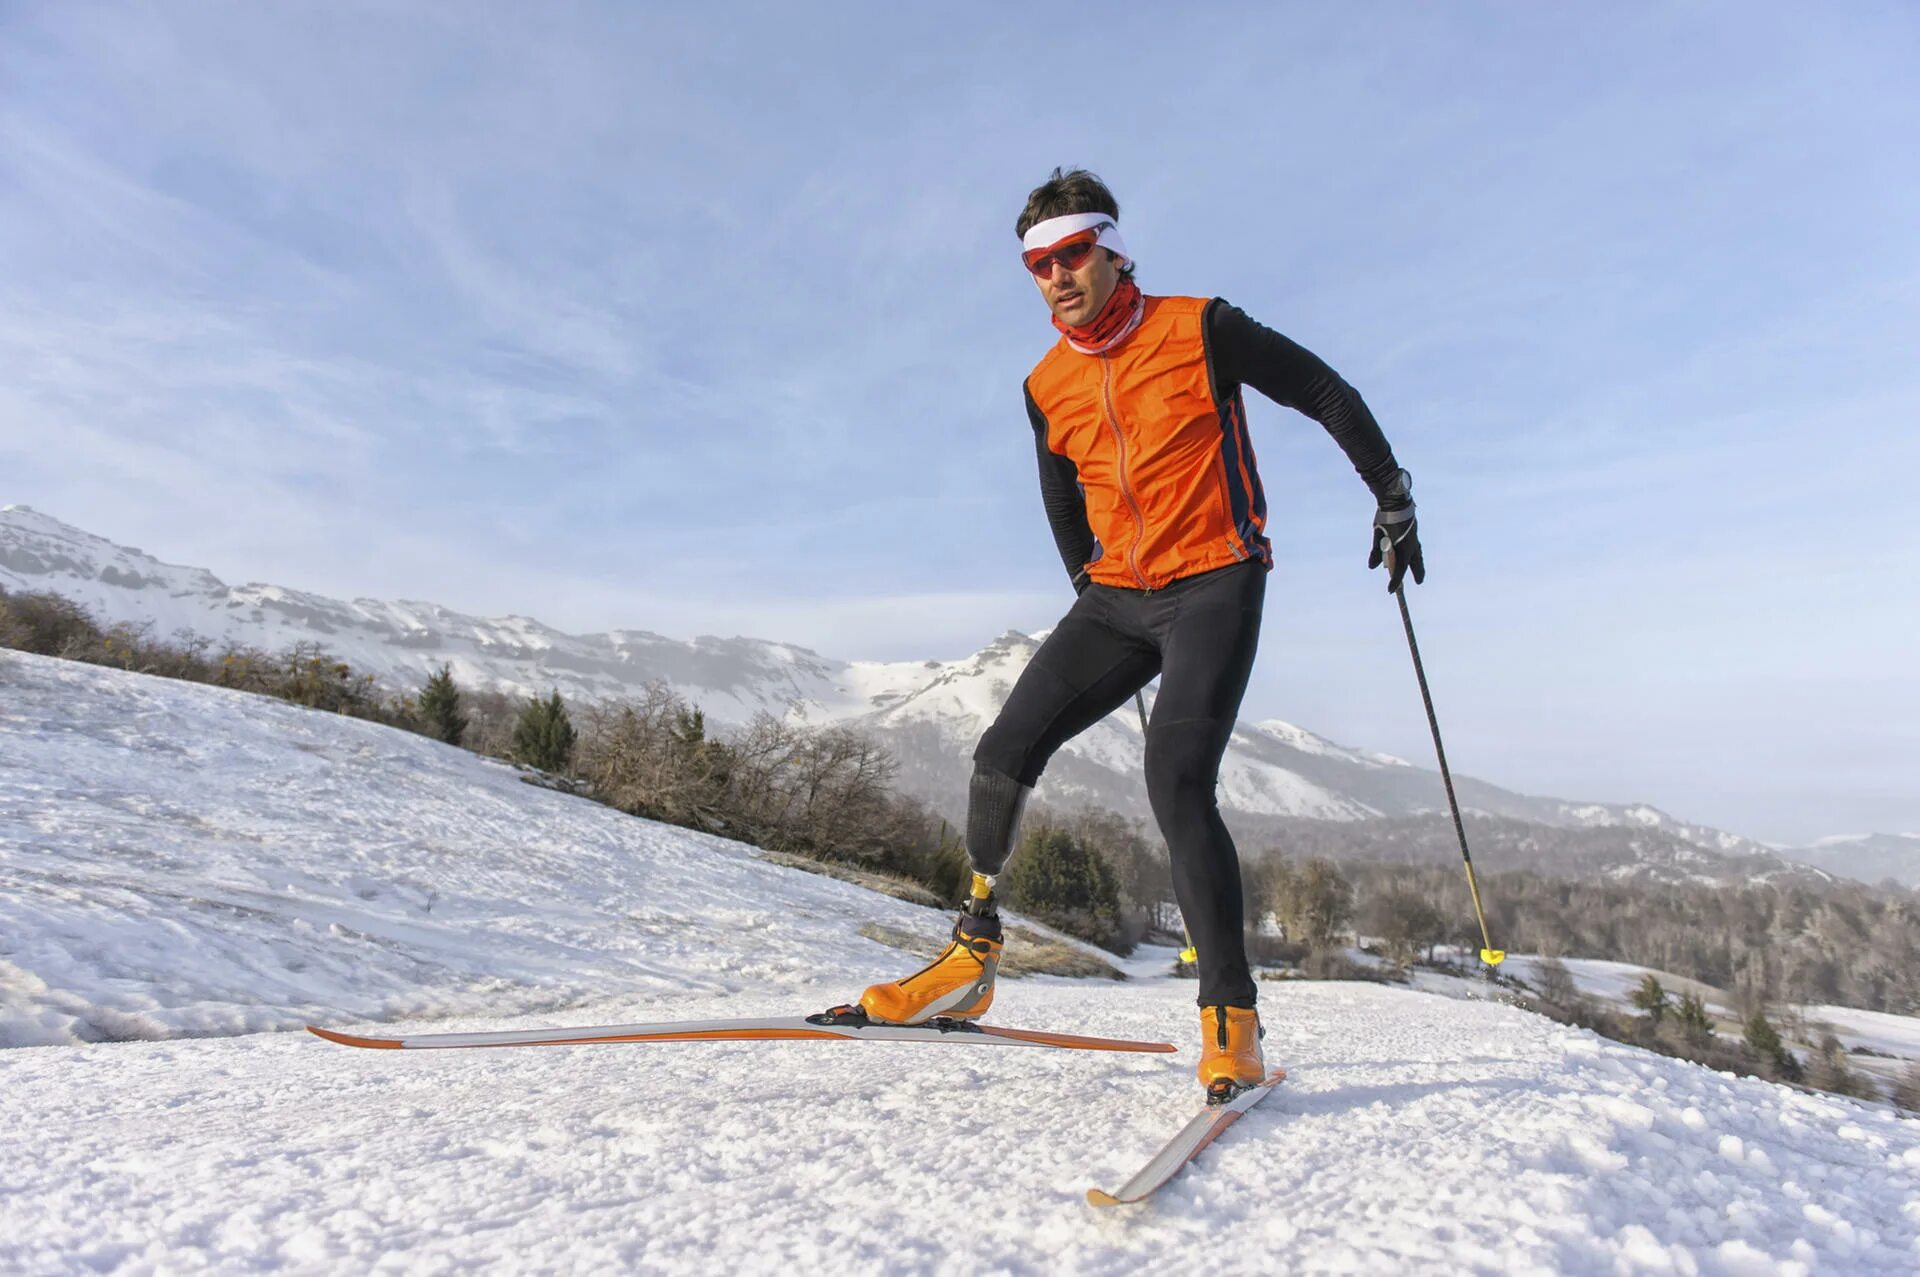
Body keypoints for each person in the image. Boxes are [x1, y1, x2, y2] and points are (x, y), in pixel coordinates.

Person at [858, 168, 1423, 1100]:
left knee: (1175, 777)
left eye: (1072, 254)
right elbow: (1059, 494)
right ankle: (973, 951)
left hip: (1215, 579)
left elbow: (1321, 388)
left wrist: (1391, 494)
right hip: (1118, 595)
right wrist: (1091, 582)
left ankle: (1230, 1017)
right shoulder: (1046, 384)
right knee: (1002, 750)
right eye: (1038, 265)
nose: (1057, 277)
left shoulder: (1201, 327)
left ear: (1113, 251)